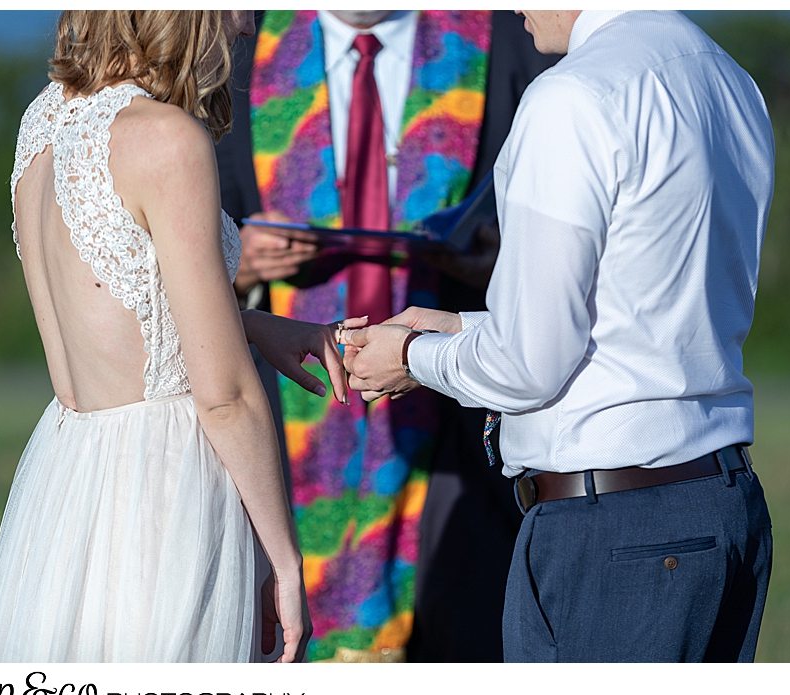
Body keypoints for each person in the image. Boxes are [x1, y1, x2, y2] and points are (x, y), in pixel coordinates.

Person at [342, 10, 775, 662]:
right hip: (723, 502)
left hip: (613, 529)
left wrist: (410, 356)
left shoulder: (572, 96)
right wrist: (457, 327)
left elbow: (527, 364)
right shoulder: (731, 82)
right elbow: (638, 316)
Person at [0, 10, 351, 663]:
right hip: (165, 493)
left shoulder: (42, 121)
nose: (245, 27)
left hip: (70, 481)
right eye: (236, 10)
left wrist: (255, 326)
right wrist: (284, 560)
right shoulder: (166, 141)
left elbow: (115, 319)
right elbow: (224, 396)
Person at [215, 10, 559, 662]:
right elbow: (177, 229)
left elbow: (562, 228)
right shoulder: (243, 41)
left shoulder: (507, 35)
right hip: (289, 425)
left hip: (458, 438)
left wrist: (502, 266)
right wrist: (235, 256)